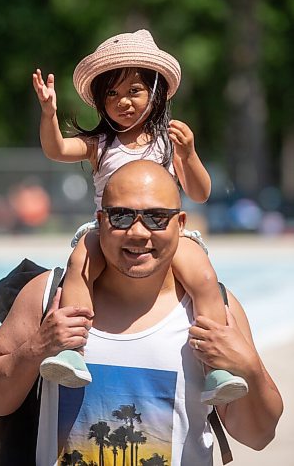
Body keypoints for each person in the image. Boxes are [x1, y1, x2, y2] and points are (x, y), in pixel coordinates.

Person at [0, 160, 283, 465]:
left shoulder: (213, 311)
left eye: (157, 217)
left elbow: (258, 436)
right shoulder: (50, 296)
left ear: (181, 224)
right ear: (100, 221)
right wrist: (37, 349)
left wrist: (249, 366)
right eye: (121, 216)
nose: (138, 233)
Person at [32, 29, 248, 404]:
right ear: (100, 102)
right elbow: (56, 150)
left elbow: (200, 192)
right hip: (109, 232)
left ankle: (216, 364)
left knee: (203, 275)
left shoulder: (169, 141)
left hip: (162, 234)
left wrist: (190, 154)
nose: (123, 102)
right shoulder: (100, 144)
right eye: (112, 94)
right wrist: (49, 113)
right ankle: (72, 349)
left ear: (156, 93)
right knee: (80, 262)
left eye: (134, 90)